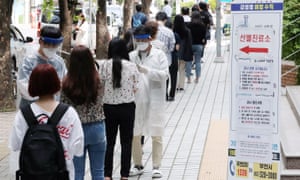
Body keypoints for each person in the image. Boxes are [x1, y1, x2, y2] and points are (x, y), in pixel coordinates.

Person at [9, 64, 84, 180]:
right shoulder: (69, 113)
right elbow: (78, 149)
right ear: (56, 83)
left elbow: (15, 145)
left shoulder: (23, 115)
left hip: (31, 174)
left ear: (32, 84)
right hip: (61, 173)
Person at [129, 25, 169, 178]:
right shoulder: (132, 55)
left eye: (142, 40)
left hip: (155, 99)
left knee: (156, 133)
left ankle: (156, 166)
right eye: (137, 40)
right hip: (137, 99)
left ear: (149, 39)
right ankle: (137, 164)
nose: (140, 43)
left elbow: (165, 75)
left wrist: (147, 71)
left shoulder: (159, 55)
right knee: (135, 133)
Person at [61, 45, 106, 180]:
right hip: (97, 128)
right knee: (98, 172)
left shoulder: (66, 84)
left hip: (75, 130)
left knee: (77, 173)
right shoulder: (99, 81)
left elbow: (64, 107)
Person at [97, 38, 139, 180]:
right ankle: (124, 175)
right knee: (126, 142)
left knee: (109, 142)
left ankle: (107, 174)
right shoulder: (132, 66)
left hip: (108, 108)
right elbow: (136, 88)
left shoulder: (104, 66)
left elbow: (100, 87)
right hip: (127, 108)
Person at [17, 25, 67, 108]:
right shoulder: (29, 61)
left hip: (53, 110)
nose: (51, 47)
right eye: (48, 44)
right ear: (40, 41)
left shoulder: (59, 62)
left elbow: (65, 83)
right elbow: (24, 87)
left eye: (55, 45)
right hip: (31, 110)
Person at [173, 15, 193, 89]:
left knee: (175, 70)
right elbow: (189, 43)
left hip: (175, 53)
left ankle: (175, 85)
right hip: (184, 52)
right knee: (182, 69)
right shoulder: (187, 31)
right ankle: (181, 86)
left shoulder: (173, 31)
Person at [187, 11, 207, 83]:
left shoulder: (189, 25)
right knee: (198, 62)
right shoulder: (202, 25)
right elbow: (204, 37)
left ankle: (189, 78)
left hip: (189, 45)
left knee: (189, 61)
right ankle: (197, 78)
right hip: (199, 45)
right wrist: (204, 43)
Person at [165, 21, 180, 101]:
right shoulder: (176, 35)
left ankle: (165, 95)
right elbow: (177, 48)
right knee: (174, 77)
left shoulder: (164, 35)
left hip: (166, 58)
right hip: (174, 57)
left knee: (166, 77)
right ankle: (172, 95)